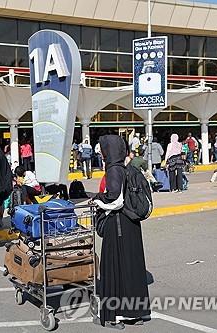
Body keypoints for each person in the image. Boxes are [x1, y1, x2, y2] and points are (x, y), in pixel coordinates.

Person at [92, 134, 150, 329]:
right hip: (131, 226)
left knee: (113, 269)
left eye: (102, 149)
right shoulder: (127, 168)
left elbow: (116, 201)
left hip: (116, 226)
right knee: (130, 267)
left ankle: (113, 315)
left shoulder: (113, 170)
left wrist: (97, 201)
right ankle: (133, 313)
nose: (101, 152)